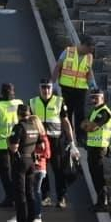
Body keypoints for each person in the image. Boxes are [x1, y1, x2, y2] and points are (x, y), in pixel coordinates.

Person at [29, 79, 75, 208]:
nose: (46, 90)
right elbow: (30, 122)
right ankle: (46, 197)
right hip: (40, 142)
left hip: (56, 141)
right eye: (43, 87)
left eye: (48, 87)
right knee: (42, 170)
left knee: (59, 170)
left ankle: (61, 198)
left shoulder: (59, 102)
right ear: (39, 88)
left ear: (52, 88)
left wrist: (72, 142)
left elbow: (66, 122)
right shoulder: (33, 102)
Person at [7, 109, 50, 222]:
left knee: (20, 193)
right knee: (30, 193)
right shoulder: (34, 127)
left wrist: (8, 141)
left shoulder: (19, 127)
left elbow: (14, 148)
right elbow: (41, 145)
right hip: (31, 162)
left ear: (18, 114)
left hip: (21, 161)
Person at [0, 83, 24, 208]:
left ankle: (10, 197)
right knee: (17, 172)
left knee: (5, 173)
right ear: (13, 92)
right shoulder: (19, 103)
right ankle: (19, 196)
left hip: (2, 144)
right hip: (17, 143)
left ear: (1, 93)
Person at [82, 89, 111, 212]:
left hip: (99, 148)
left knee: (98, 176)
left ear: (102, 98)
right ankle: (102, 201)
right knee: (94, 175)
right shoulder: (94, 111)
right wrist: (87, 126)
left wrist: (88, 126)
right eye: (92, 97)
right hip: (92, 147)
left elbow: (91, 127)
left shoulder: (104, 112)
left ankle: (103, 203)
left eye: (96, 97)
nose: (94, 99)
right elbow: (84, 125)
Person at [56, 42, 94, 136]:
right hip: (67, 87)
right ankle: (68, 135)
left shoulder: (89, 56)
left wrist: (92, 85)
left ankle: (80, 136)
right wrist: (54, 83)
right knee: (67, 112)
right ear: (83, 45)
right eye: (89, 48)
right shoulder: (68, 51)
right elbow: (58, 66)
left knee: (80, 113)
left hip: (81, 89)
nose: (89, 51)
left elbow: (89, 72)